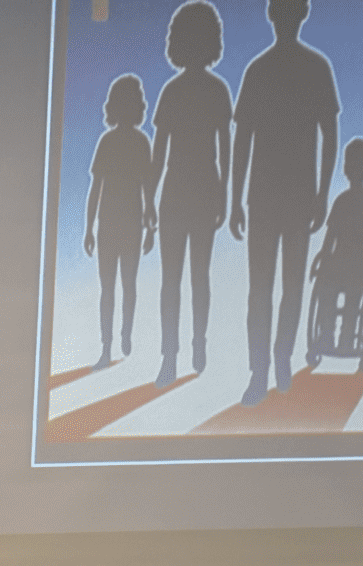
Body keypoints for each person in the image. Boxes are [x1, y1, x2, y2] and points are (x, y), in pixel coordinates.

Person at [230, 0, 339, 406]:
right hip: (273, 198)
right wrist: (236, 197)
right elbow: (243, 139)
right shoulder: (290, 68)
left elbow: (330, 133)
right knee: (268, 289)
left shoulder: (274, 68)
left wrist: (323, 192)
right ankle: (264, 368)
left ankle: (275, 363)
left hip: (286, 198)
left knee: (277, 288)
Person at [150, 2, 232, 388]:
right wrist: (150, 197)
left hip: (196, 189)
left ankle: (192, 347)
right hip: (184, 190)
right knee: (182, 277)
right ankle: (172, 355)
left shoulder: (208, 90)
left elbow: (225, 145)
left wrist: (224, 193)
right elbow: (159, 149)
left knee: (190, 276)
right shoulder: (192, 90)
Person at [83, 74, 155, 370]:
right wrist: (88, 227)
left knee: (125, 286)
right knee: (111, 288)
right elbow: (95, 188)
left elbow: (147, 188)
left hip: (128, 226)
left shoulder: (139, 142)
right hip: (110, 225)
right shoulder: (111, 142)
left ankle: (123, 337)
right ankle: (107, 347)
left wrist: (151, 225)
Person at [305, 137, 363, 370]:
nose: (351, 168)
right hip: (340, 265)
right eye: (349, 163)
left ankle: (346, 338)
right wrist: (321, 259)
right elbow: (330, 239)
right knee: (326, 286)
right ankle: (327, 334)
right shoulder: (342, 201)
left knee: (353, 289)